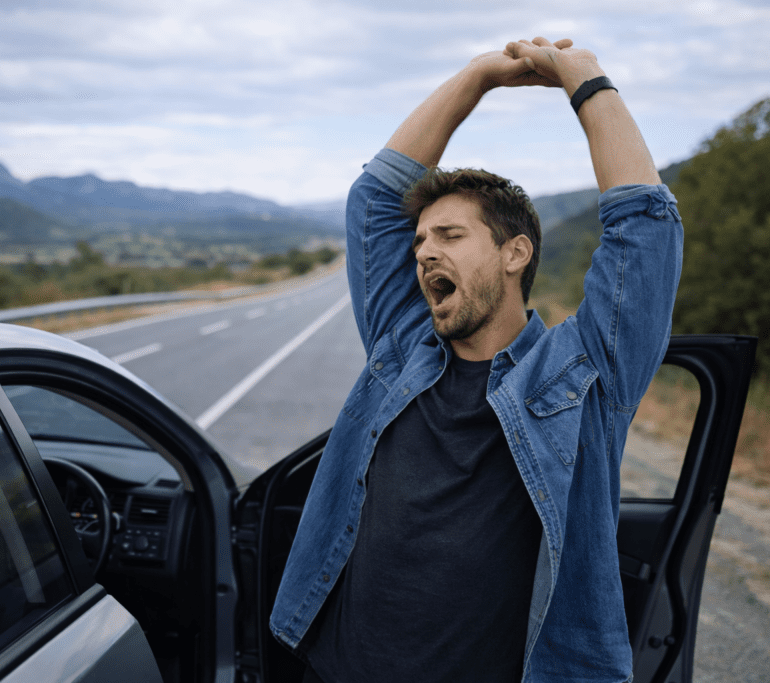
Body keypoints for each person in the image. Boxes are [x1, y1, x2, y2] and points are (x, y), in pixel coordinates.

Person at [269, 37, 684, 683]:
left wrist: (585, 78)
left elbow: (645, 229)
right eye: (420, 240)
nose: (424, 252)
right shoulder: (400, 344)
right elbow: (374, 202)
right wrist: (477, 76)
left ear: (515, 253)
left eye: (451, 235)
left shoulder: (581, 375)